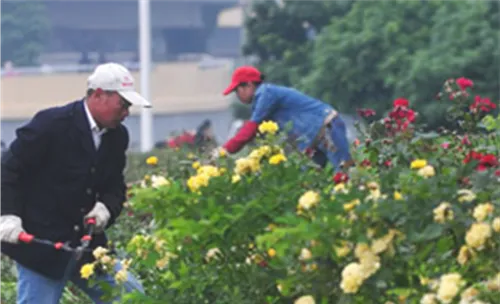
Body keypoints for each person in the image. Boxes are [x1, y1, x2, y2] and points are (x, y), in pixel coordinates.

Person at [0, 62, 150, 303]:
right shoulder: (51, 125)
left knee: (132, 298)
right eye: (123, 105)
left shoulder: (117, 136)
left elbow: (114, 187)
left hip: (89, 247)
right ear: (99, 95)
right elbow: (8, 170)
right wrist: (7, 215)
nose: (126, 113)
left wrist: (105, 209)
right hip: (42, 246)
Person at [214, 66, 354, 170]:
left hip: (327, 128)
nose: (238, 96)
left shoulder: (266, 93)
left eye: (236, 91)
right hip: (312, 141)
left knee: (344, 172)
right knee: (307, 181)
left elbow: (250, 129)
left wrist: (224, 150)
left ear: (248, 85)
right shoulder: (261, 100)